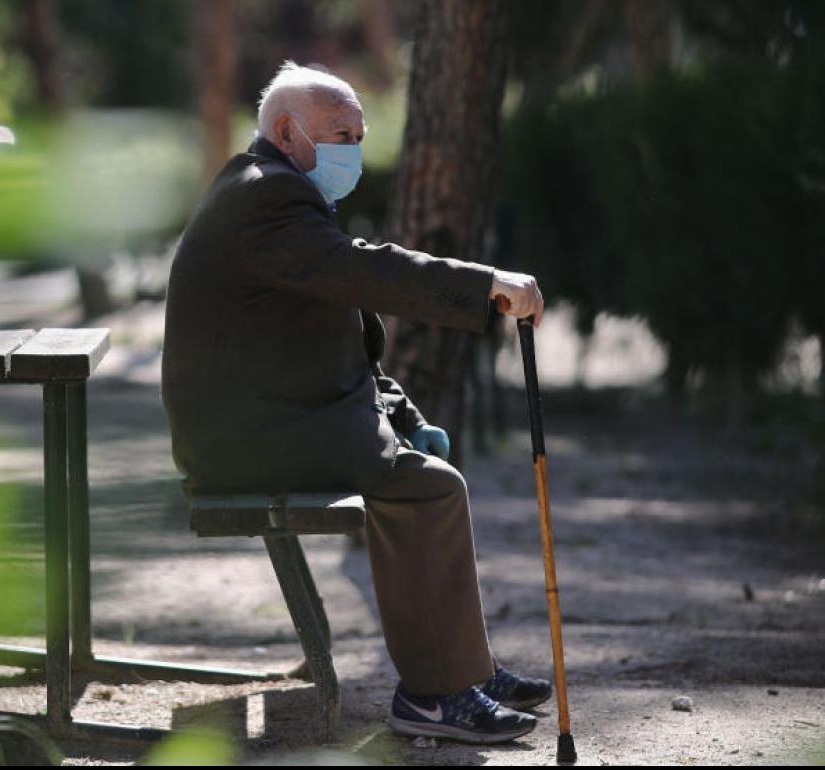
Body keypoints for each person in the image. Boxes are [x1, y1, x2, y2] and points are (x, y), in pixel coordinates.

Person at [160, 61, 549, 744]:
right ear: (286, 132)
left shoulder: (268, 189)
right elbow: (364, 270)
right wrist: (484, 283)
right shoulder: (268, 200)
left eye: (359, 135)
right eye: (341, 133)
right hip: (244, 440)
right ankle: (434, 694)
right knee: (429, 489)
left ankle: (462, 671)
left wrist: (407, 417)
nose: (354, 151)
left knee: (423, 479)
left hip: (265, 421)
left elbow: (336, 343)